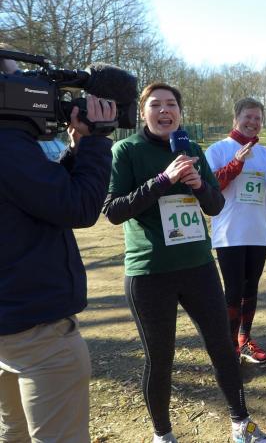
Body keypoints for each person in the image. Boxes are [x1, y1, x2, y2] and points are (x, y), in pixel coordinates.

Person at [102, 83, 266, 443]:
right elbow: (113, 210)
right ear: (143, 112)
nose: (165, 111)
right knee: (160, 358)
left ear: (180, 112)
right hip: (150, 272)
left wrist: (198, 184)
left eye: (171, 104)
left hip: (198, 266)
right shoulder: (126, 150)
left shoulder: (191, 149)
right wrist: (164, 180)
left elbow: (216, 205)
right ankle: (163, 435)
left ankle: (241, 424)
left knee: (223, 347)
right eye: (156, 105)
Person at [1, 44, 116, 442]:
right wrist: (97, 141)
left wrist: (76, 150)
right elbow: (79, 207)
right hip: (38, 336)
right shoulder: (8, 146)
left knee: (14, 433)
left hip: (8, 328)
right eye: (15, 77)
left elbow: (40, 197)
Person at [205, 97, 266, 364]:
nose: (253, 123)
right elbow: (209, 187)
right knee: (233, 291)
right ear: (236, 119)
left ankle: (245, 339)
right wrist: (236, 164)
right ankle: (229, 345)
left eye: (257, 118)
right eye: (248, 117)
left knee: (250, 289)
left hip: (258, 232)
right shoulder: (218, 149)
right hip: (230, 234)